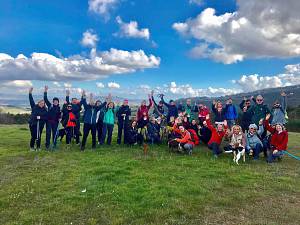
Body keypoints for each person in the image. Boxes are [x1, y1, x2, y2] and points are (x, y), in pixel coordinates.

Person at [44, 85, 61, 150]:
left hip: (56, 123)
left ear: (58, 102)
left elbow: (59, 114)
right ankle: (47, 145)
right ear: (53, 102)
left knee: (55, 134)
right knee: (48, 133)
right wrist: (45, 91)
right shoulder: (50, 105)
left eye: (57, 101)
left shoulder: (59, 108)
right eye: (54, 101)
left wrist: (60, 118)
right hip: (49, 122)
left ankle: (54, 144)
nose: (56, 102)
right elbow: (45, 99)